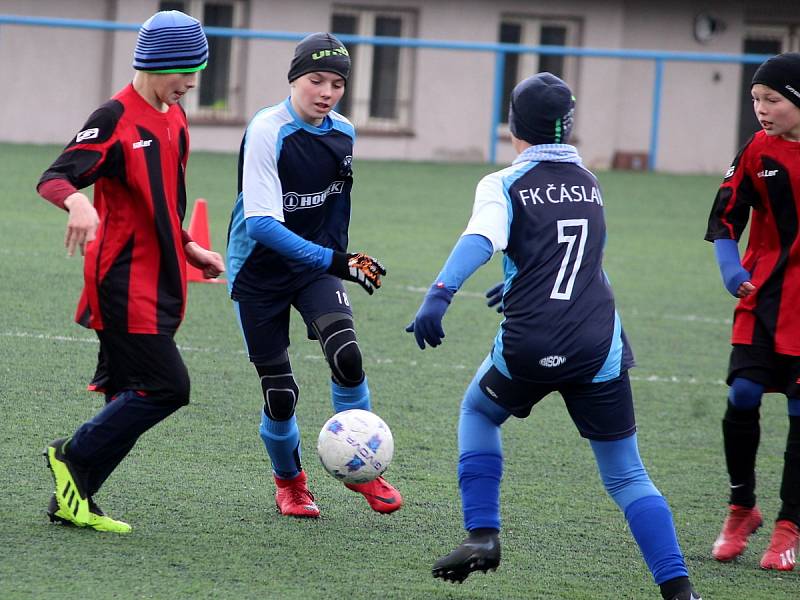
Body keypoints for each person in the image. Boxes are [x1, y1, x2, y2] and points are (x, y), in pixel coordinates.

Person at [406, 73, 701, 599]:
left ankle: (484, 534)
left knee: (479, 412)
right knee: (628, 476)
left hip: (531, 342)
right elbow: (574, 255)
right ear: (568, 127)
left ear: (514, 125)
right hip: (596, 340)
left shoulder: (502, 182)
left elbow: (482, 238)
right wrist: (522, 277)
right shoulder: (590, 180)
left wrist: (441, 292)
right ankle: (680, 592)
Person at [38, 10, 224, 533]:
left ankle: (74, 502)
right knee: (167, 386)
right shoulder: (114, 116)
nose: (191, 82)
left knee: (130, 391)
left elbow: (166, 198)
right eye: (184, 71)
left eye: (198, 71)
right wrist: (78, 202)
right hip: (122, 281)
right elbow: (54, 177)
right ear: (157, 63)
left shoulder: (176, 116)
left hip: (162, 275)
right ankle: (71, 456)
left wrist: (188, 244)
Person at [225, 32, 402, 518]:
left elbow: (334, 204)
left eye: (337, 83)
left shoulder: (344, 131)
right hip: (258, 271)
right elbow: (261, 224)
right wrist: (337, 261)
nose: (325, 91)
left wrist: (337, 258)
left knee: (347, 356)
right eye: (315, 80)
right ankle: (291, 485)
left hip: (313, 266)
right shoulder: (267, 130)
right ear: (294, 79)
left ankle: (364, 467)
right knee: (281, 395)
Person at [705, 52, 800, 571]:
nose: (761, 109)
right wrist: (729, 267)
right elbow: (725, 215)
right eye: (756, 100)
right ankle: (742, 508)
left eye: (773, 100)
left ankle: (789, 525)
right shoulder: (757, 150)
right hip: (762, 293)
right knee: (743, 393)